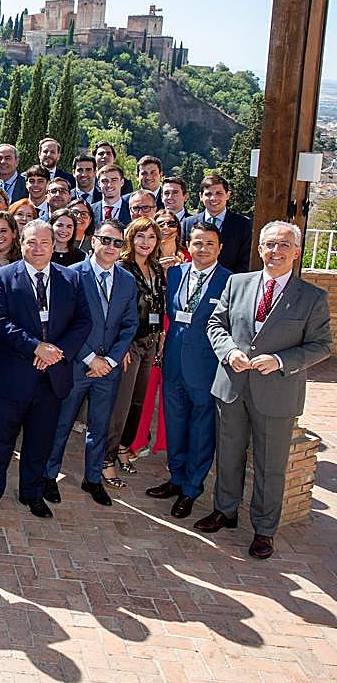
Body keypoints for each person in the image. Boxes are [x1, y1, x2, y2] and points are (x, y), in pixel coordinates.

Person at [197, 221, 332, 558]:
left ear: (296, 252)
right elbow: (216, 323)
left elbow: (321, 346)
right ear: (259, 249)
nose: (276, 251)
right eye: (270, 244)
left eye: (284, 245)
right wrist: (229, 350)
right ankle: (225, 511)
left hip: (277, 394)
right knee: (228, 454)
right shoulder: (237, 282)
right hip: (233, 385)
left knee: (271, 466)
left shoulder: (312, 297)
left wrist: (280, 360)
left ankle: (264, 529)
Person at [0, 220, 92, 524]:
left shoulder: (72, 279)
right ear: (21, 243)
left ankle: (32, 492)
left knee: (40, 442)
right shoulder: (0, 277)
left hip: (51, 379)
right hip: (11, 378)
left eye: (44, 242)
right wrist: (35, 347)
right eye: (31, 242)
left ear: (54, 245)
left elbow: (83, 322)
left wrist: (56, 352)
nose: (38, 248)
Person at [42, 220, 138, 508]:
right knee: (61, 423)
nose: (110, 247)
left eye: (117, 243)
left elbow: (129, 325)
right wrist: (88, 357)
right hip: (75, 364)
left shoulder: (127, 280)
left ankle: (93, 478)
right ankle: (49, 476)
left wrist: (109, 360)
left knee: (100, 425)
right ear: (93, 240)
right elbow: (63, 323)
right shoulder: (70, 275)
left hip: (108, 369)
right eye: (105, 240)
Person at [146, 222, 232, 520]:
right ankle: (176, 478)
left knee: (200, 431)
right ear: (189, 245)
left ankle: (192, 489)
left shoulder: (230, 281)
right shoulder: (176, 273)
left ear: (219, 248)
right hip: (173, 363)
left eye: (210, 243)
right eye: (197, 242)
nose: (203, 248)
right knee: (175, 425)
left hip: (206, 368)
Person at [103, 217, 165, 486]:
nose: (145, 243)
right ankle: (106, 459)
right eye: (141, 236)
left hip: (151, 342)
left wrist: (160, 340)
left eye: (151, 237)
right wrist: (121, 345)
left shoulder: (157, 269)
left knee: (139, 403)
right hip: (129, 344)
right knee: (121, 404)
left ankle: (124, 449)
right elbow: (115, 312)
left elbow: (159, 306)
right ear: (130, 238)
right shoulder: (122, 268)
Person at [181, 174, 252, 273]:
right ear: (201, 196)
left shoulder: (243, 224)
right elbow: (183, 255)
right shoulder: (188, 223)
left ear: (227, 195)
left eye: (219, 193)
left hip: (229, 282)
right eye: (208, 194)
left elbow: (245, 260)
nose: (213, 198)